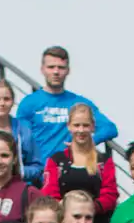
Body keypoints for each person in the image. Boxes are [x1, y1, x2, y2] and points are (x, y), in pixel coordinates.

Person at [14, 46, 118, 184]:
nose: (56, 72)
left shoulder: (79, 103)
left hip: (68, 176)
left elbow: (109, 128)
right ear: (42, 69)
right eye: (51, 67)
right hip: (37, 177)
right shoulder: (29, 103)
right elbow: (21, 141)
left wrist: (89, 142)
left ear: (68, 70)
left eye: (61, 67)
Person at [40, 104, 118, 223]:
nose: (81, 130)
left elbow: (110, 194)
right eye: (76, 125)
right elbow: (49, 194)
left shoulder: (104, 161)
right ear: (69, 126)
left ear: (93, 127)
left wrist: (87, 209)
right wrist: (69, 210)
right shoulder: (56, 160)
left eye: (85, 125)